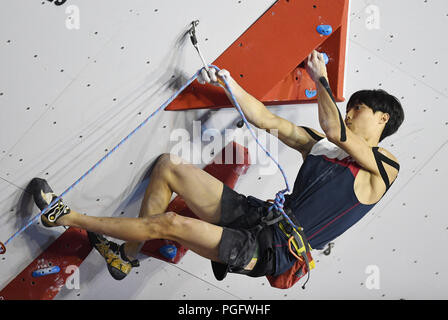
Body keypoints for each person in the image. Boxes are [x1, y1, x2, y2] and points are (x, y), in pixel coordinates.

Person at [29, 50, 404, 284]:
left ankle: (65, 217)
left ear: (383, 120)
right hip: (263, 216)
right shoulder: (323, 147)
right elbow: (266, 120)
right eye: (350, 106)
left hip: (273, 250)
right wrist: (229, 83)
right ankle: (125, 256)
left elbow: (335, 128)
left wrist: (320, 78)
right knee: (169, 166)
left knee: (172, 225)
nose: (351, 112)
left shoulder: (384, 168)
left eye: (360, 109)